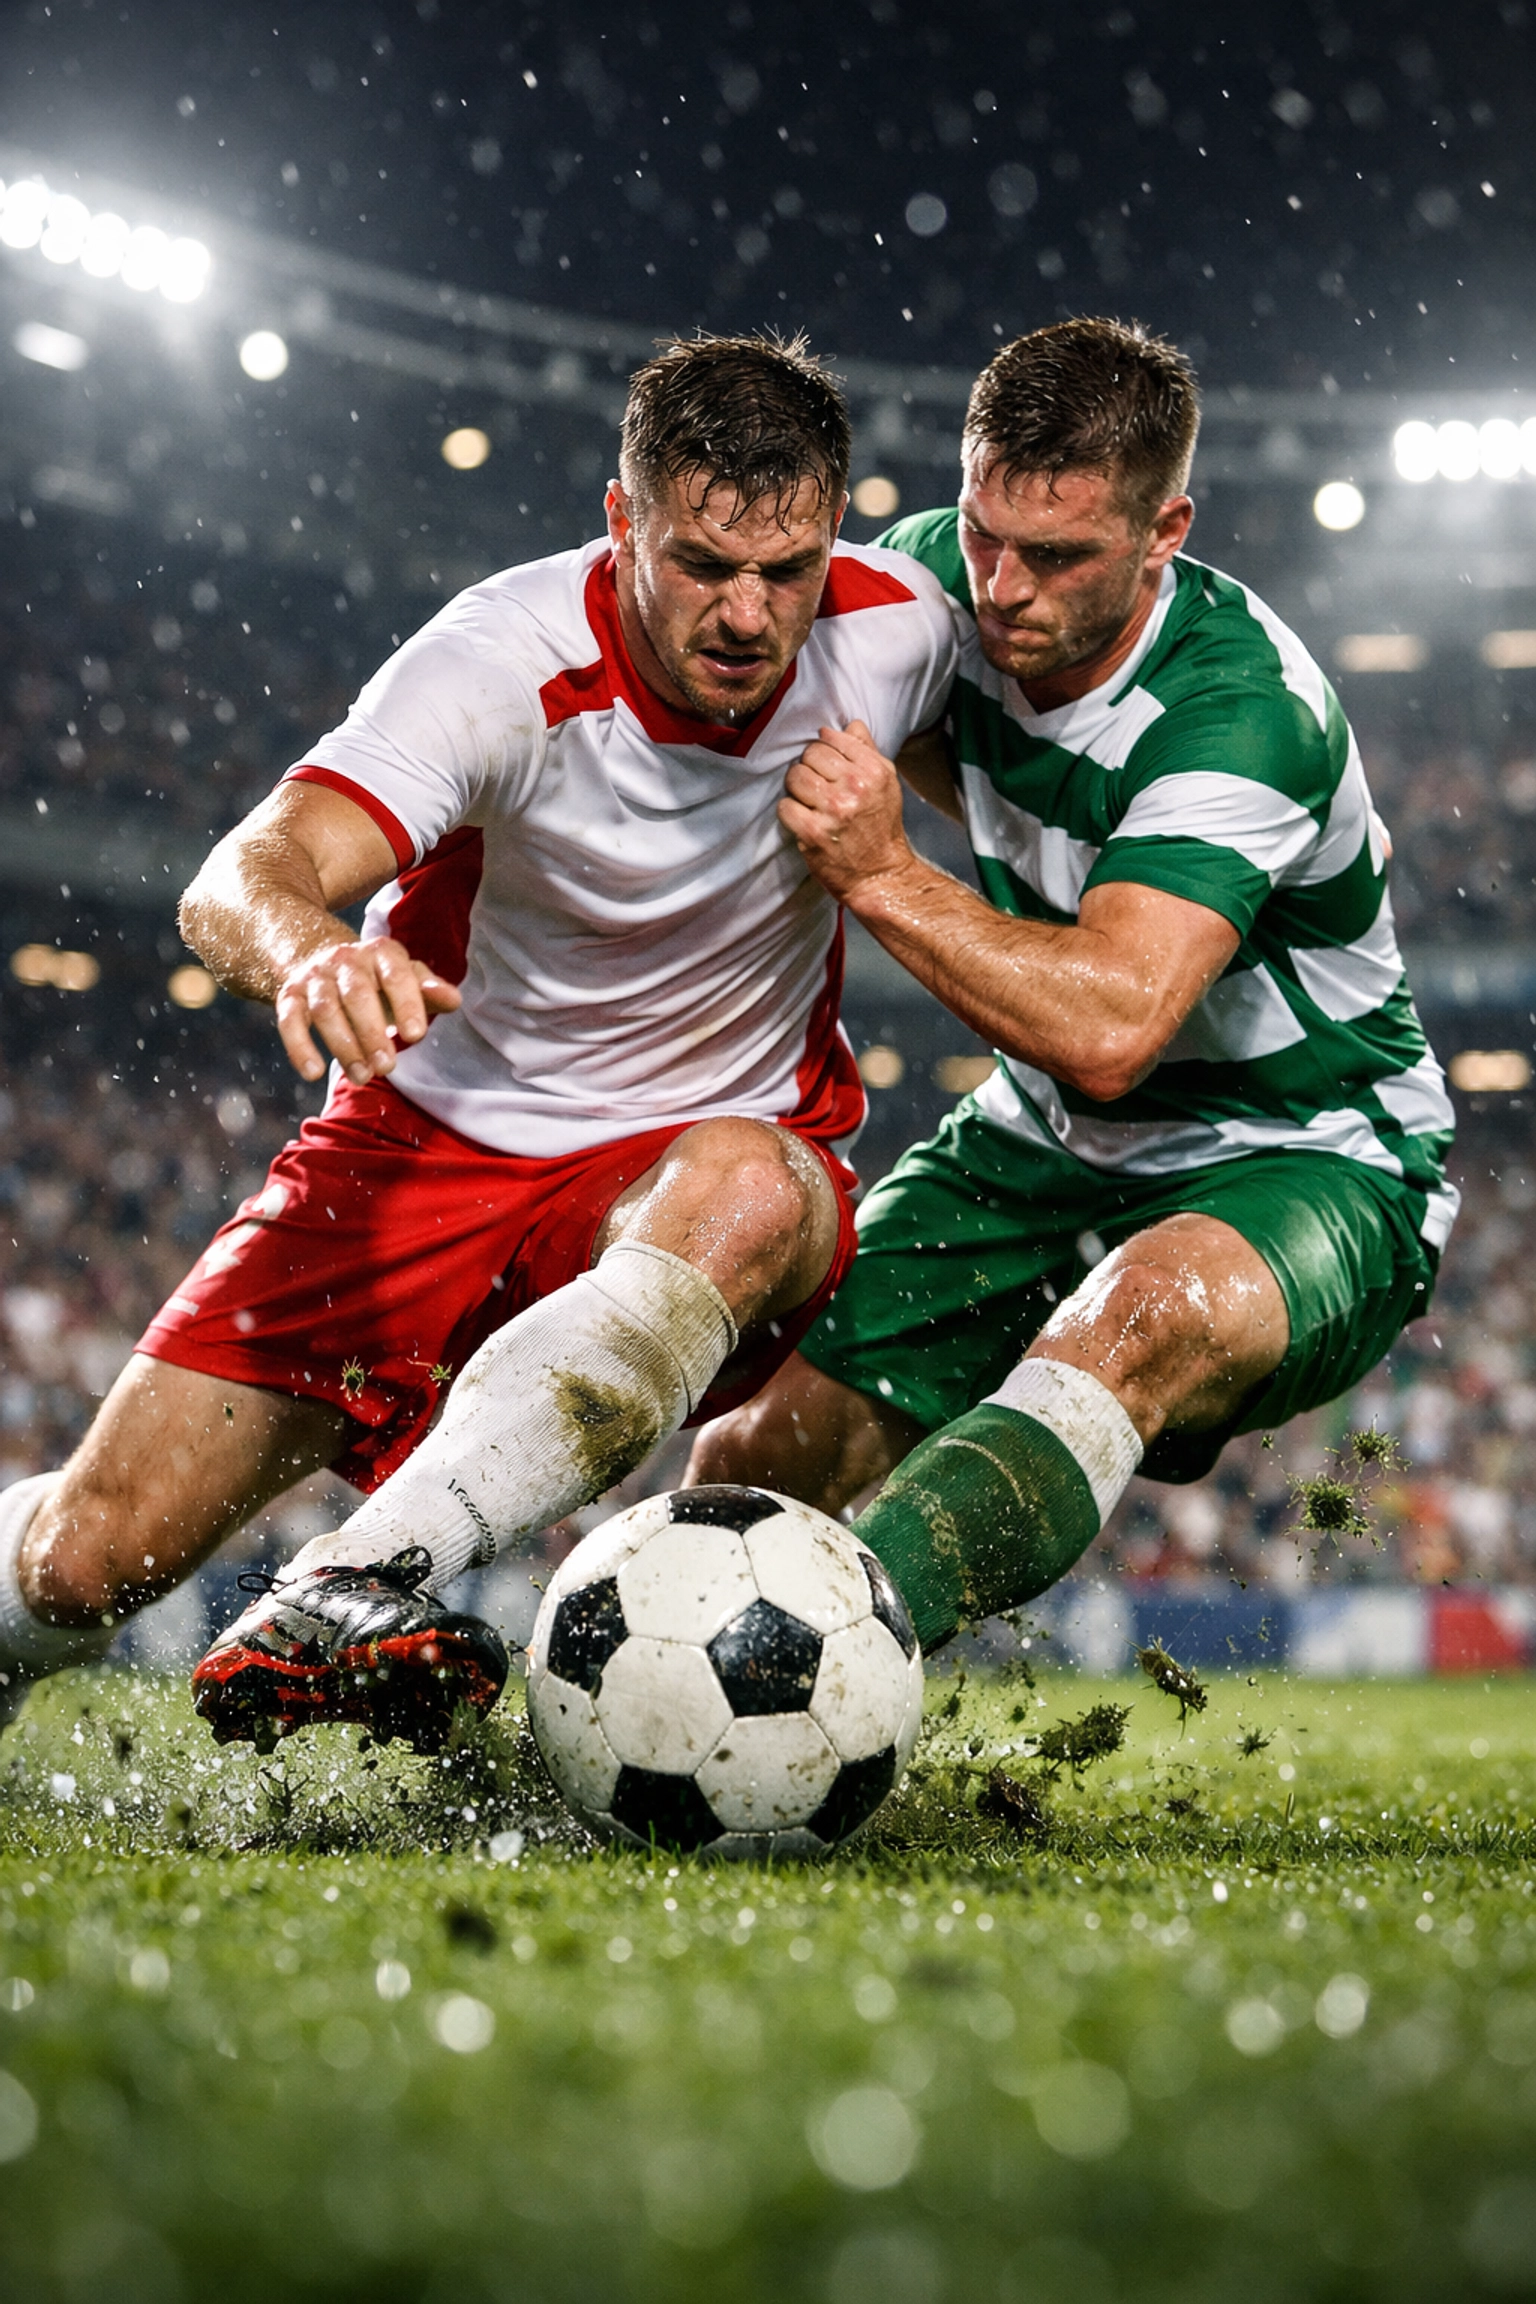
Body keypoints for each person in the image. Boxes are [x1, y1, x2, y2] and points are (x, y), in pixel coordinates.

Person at [0, 332, 959, 1748]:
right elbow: (240, 880)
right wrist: (315, 950)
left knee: (755, 1183)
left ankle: (360, 1579)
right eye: (702, 563)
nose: (751, 614)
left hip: (690, 1173)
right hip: (428, 1142)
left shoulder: (896, 629)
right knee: (83, 1566)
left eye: (788, 568)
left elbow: (1065, 743)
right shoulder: (500, 660)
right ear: (622, 521)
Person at [690, 317, 1458, 1652]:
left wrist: (885, 872)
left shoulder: (1243, 710)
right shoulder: (928, 580)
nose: (1002, 588)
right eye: (986, 530)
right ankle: (641, 1712)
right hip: (1045, 1140)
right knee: (757, 1456)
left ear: (1165, 534)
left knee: (1137, 1321)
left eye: (1057, 555)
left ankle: (829, 1669)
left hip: (1307, 1156)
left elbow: (1110, 1025)